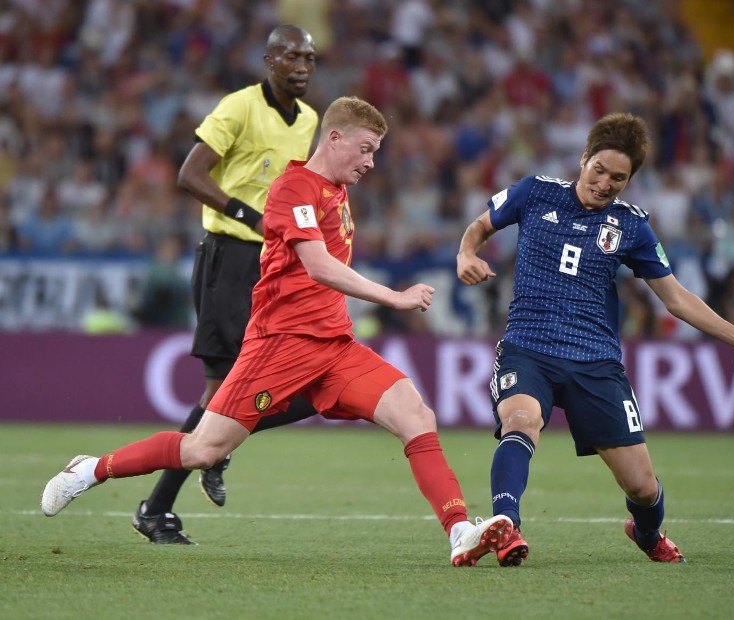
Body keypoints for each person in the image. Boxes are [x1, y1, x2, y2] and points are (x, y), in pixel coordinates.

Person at [41, 96, 513, 567]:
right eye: (365, 149)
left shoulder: (336, 190)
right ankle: (90, 470)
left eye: (376, 152)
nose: (371, 162)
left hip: (334, 347)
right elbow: (318, 265)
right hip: (279, 345)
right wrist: (393, 296)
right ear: (334, 138)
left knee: (417, 416)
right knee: (203, 450)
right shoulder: (293, 188)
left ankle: (459, 532)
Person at [456, 112, 734, 567]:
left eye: (619, 177)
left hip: (595, 362)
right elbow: (478, 226)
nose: (605, 183)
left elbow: (676, 299)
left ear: (630, 179)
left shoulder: (631, 227)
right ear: (583, 159)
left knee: (642, 487)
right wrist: (466, 253)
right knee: (520, 421)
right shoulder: (534, 192)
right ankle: (506, 524)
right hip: (528, 346)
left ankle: (647, 532)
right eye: (599, 170)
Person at [132, 24, 321, 545]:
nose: (302, 66)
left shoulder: (308, 120)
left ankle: (221, 444)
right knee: (221, 388)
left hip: (275, 262)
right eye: (291, 56)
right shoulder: (238, 107)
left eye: (309, 57)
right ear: (268, 60)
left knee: (303, 386)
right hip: (229, 258)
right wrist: (247, 214)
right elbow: (189, 175)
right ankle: (158, 507)